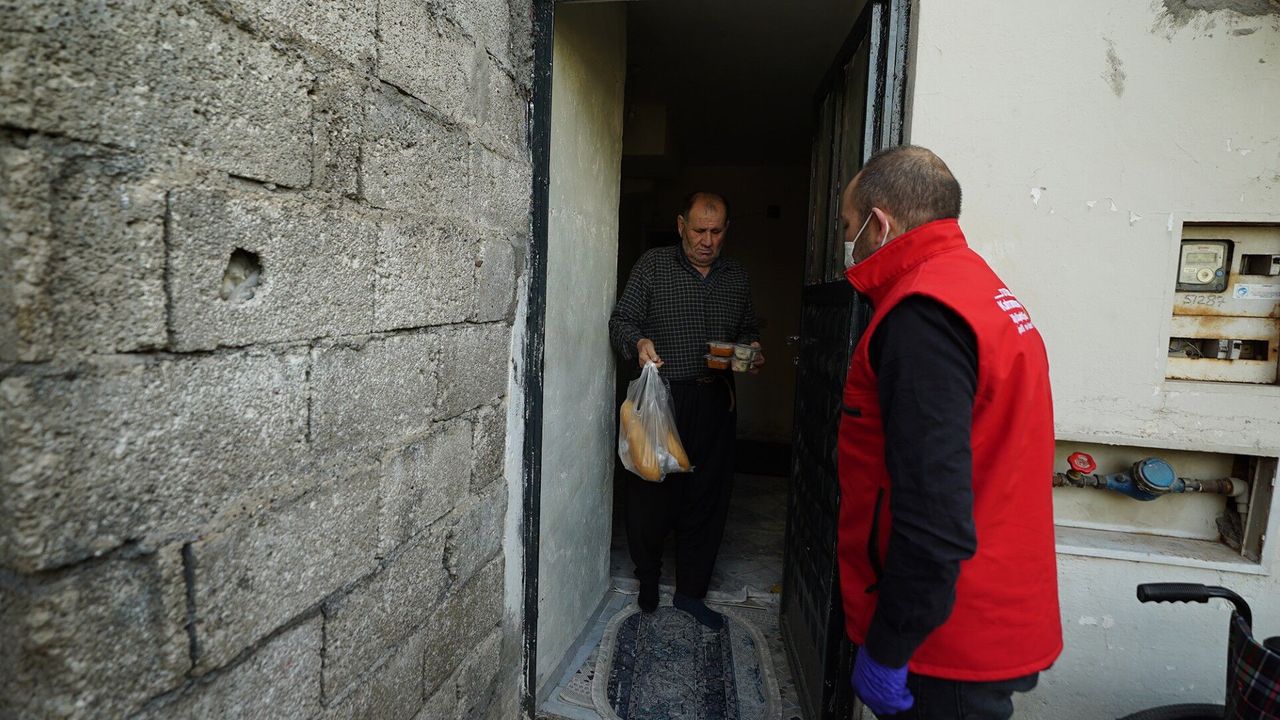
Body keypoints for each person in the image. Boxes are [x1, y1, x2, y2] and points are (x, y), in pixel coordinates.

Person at [835, 146, 1061, 719]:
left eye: (847, 226)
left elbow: (932, 513)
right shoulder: (976, 288)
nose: (846, 242)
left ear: (878, 224)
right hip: (984, 607)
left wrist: (890, 645)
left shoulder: (922, 315)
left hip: (945, 641)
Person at [608, 191, 763, 629]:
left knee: (707, 495)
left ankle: (691, 592)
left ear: (726, 230)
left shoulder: (735, 275)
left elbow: (749, 327)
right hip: (662, 398)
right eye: (698, 230)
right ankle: (648, 577)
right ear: (681, 226)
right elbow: (621, 320)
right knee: (651, 490)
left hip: (715, 397)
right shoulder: (654, 266)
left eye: (715, 232)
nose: (706, 241)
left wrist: (751, 349)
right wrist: (639, 342)